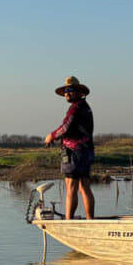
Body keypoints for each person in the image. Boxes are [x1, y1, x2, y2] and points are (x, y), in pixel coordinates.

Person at [44, 76, 95, 220]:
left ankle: (68, 221)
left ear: (79, 92)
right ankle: (90, 220)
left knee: (71, 186)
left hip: (74, 152)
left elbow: (66, 127)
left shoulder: (75, 108)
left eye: (70, 90)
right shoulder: (86, 107)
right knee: (84, 186)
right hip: (86, 151)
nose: (67, 93)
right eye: (66, 90)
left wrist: (51, 136)